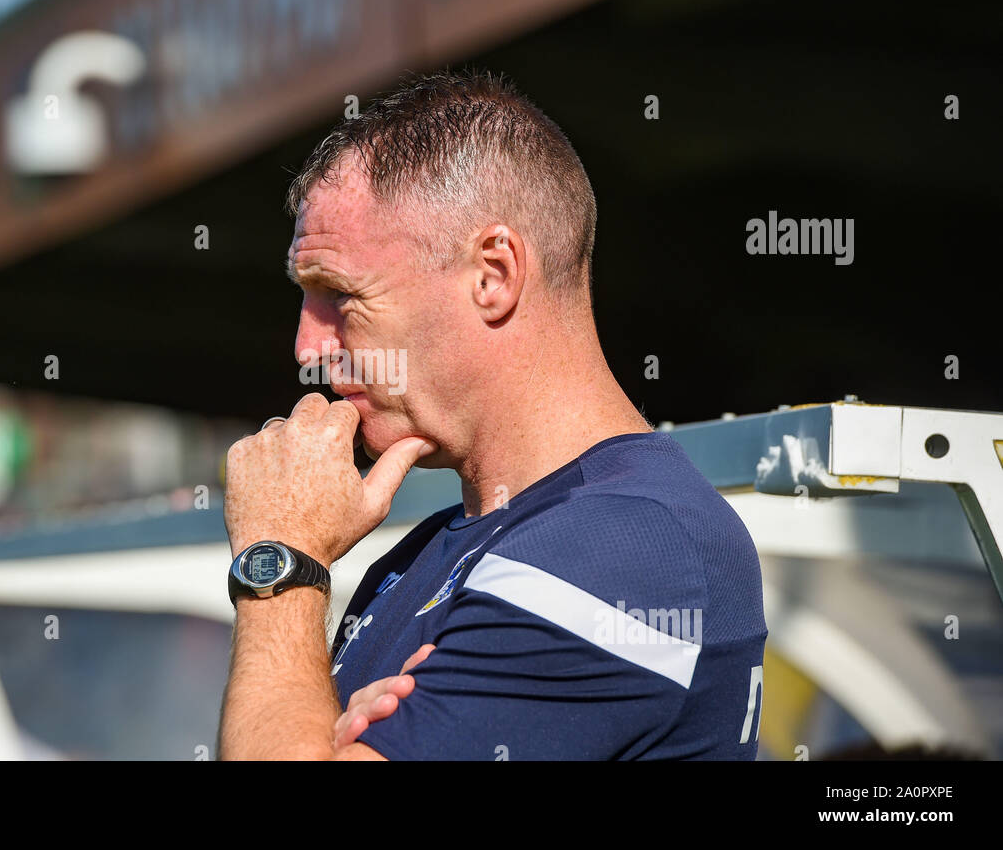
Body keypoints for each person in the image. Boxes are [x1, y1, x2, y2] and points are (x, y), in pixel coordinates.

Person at [217, 69, 766, 760]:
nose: (307, 346)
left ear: (494, 275)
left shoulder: (632, 541)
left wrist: (279, 561)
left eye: (338, 294)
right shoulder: (435, 546)